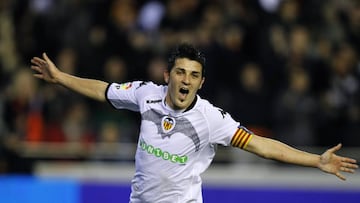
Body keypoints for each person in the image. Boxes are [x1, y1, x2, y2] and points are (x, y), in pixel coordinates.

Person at [31, 43, 358, 203]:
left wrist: (315, 160)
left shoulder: (210, 118)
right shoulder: (146, 94)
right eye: (180, 72)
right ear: (167, 76)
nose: (186, 80)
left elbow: (261, 145)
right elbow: (103, 90)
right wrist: (60, 78)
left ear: (201, 83)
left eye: (194, 75)